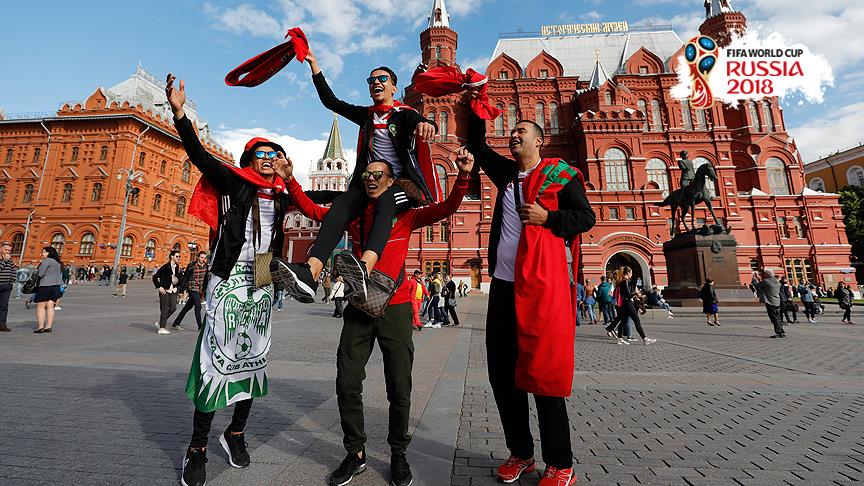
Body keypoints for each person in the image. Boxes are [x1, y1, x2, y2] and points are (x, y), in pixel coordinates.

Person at [281, 149, 474, 486]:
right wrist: (290, 180)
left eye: (378, 175)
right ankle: (355, 453)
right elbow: (314, 211)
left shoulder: (408, 216)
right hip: (358, 307)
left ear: (390, 183)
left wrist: (463, 177)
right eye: (367, 174)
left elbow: (447, 209)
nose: (371, 178)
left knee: (399, 386)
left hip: (396, 308)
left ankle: (398, 454)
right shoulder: (355, 216)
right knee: (346, 380)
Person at [167, 73, 294, 486]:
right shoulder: (235, 183)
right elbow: (200, 155)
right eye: (262, 152)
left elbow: (323, 206)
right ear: (248, 160)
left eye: (275, 153)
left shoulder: (283, 192)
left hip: (260, 275)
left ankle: (235, 432)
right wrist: (180, 112)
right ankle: (197, 447)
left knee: (254, 359)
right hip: (227, 274)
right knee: (214, 362)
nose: (270, 157)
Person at [466, 103, 595, 485]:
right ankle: (521, 453)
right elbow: (476, 141)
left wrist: (548, 218)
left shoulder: (561, 175)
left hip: (541, 287)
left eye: (521, 130)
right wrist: (476, 97)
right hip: (504, 287)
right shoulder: (506, 174)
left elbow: (585, 217)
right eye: (511, 130)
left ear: (539, 141)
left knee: (543, 372)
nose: (513, 134)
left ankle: (561, 462)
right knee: (503, 375)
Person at [275, 48, 439, 304]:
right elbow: (332, 102)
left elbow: (417, 120)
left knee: (387, 201)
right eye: (371, 80)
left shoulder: (403, 113)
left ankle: (364, 267)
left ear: (394, 88)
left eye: (382, 79)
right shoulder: (366, 115)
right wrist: (315, 67)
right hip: (371, 181)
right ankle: (310, 273)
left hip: (402, 185)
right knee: (341, 204)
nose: (376, 82)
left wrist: (425, 124)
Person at [605, 267, 657, 345]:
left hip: (625, 303)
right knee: (636, 320)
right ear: (628, 273)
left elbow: (627, 293)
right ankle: (645, 339)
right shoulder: (624, 281)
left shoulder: (625, 281)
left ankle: (620, 339)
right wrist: (636, 293)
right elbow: (628, 294)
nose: (631, 274)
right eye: (631, 273)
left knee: (624, 321)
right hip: (627, 303)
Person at [173, 251, 210, 331]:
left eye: (204, 258)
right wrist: (181, 290)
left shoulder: (206, 267)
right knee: (198, 306)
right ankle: (200, 326)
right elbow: (185, 277)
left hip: (199, 290)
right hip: (192, 288)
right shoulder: (192, 266)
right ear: (198, 257)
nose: (203, 259)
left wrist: (204, 290)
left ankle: (176, 323)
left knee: (187, 307)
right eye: (201, 257)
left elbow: (206, 279)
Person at [33, 247, 63, 333]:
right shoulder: (57, 262)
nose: (41, 254)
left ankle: (40, 327)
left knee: (41, 306)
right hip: (55, 286)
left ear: (48, 253)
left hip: (45, 285)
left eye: (43, 252)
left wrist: (37, 271)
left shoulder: (47, 261)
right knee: (50, 307)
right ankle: (48, 326)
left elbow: (41, 273)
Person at [153, 251, 182, 335]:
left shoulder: (177, 267)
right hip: (164, 290)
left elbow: (179, 279)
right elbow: (155, 277)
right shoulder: (165, 267)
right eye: (177, 256)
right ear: (172, 257)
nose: (179, 258)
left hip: (173, 291)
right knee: (165, 309)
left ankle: (160, 322)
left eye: (179, 256)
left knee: (173, 308)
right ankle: (161, 328)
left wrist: (177, 283)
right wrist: (159, 287)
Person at [753, 269, 784, 338]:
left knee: (774, 318)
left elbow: (756, 285)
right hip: (777, 301)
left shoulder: (766, 281)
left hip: (770, 302)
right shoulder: (776, 281)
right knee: (777, 317)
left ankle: (779, 332)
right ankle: (781, 331)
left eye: (764, 274)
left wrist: (755, 279)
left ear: (766, 275)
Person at [0, 240, 16, 332]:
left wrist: (12, 280)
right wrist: (5, 261)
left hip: (6, 286)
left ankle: (2, 324)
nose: (7, 252)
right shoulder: (5, 259)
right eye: (6, 249)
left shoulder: (9, 258)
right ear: (0, 248)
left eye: (9, 250)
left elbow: (12, 270)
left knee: (4, 306)